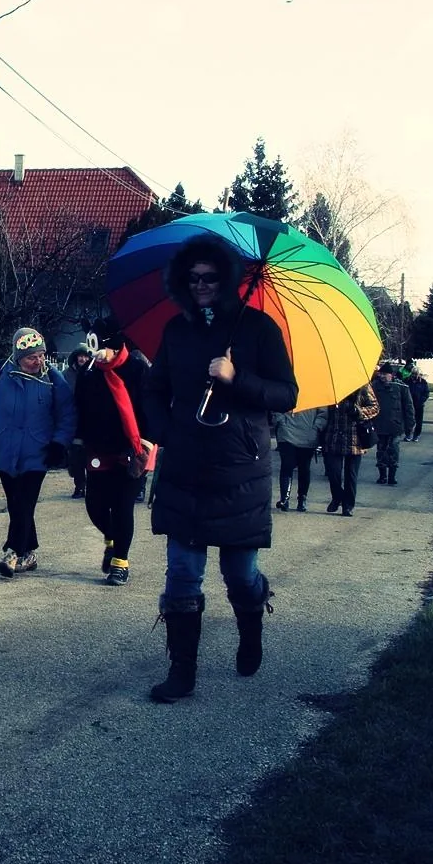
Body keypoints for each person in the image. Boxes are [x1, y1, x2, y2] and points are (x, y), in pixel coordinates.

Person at [139, 234, 298, 703]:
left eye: (209, 277)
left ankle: (251, 628)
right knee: (182, 574)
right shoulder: (176, 331)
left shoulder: (259, 329)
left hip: (240, 471)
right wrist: (166, 431)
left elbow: (286, 394)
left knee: (240, 574)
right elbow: (154, 389)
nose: (201, 285)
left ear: (225, 280)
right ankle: (182, 671)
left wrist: (236, 377)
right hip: (185, 468)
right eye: (193, 278)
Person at [0, 327, 76, 579]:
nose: (38, 361)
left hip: (38, 453)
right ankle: (29, 553)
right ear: (18, 356)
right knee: (16, 504)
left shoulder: (53, 378)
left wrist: (59, 443)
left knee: (24, 502)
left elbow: (67, 414)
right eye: (31, 357)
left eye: (41, 355)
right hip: (5, 452)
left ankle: (12, 552)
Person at [74, 318, 155, 587]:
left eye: (100, 347)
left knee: (122, 506)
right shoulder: (88, 374)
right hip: (98, 449)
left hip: (132, 450)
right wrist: (76, 446)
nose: (95, 354)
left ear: (115, 344)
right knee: (95, 506)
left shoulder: (137, 369)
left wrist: (145, 446)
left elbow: (150, 410)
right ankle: (111, 538)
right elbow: (80, 411)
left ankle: (120, 562)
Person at [320, 384, 379, 518]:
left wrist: (358, 411)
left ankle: (348, 505)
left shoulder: (362, 386)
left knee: (351, 475)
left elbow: (375, 407)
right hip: (334, 436)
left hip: (355, 438)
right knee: (333, 473)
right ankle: (337, 497)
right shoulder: (332, 385)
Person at [271, 405, 327, 511]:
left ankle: (301, 498)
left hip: (306, 435)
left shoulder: (317, 395)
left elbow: (323, 414)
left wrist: (316, 428)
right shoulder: (289, 391)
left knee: (303, 468)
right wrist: (281, 422)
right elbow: (277, 406)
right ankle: (285, 499)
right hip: (288, 433)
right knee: (288, 466)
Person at [370, 362, 416, 486]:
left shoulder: (401, 388)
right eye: (381, 374)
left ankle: (392, 476)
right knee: (381, 450)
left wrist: (410, 426)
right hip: (380, 425)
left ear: (391, 375)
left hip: (396, 425)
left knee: (394, 450)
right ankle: (382, 475)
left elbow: (409, 408)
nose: (382, 377)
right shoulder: (374, 387)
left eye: (385, 374)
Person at [62, 344, 95, 499]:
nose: (83, 359)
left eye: (86, 356)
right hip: (73, 420)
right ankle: (80, 486)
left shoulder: (95, 373)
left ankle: (93, 486)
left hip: (91, 420)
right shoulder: (66, 375)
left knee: (92, 454)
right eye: (80, 356)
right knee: (76, 455)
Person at [405, 368, 430, 441]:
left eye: (416, 374)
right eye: (413, 374)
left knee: (419, 421)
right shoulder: (406, 381)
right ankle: (408, 434)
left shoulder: (423, 382)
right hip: (408, 404)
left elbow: (426, 393)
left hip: (419, 405)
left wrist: (421, 400)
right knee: (408, 420)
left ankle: (416, 435)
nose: (414, 375)